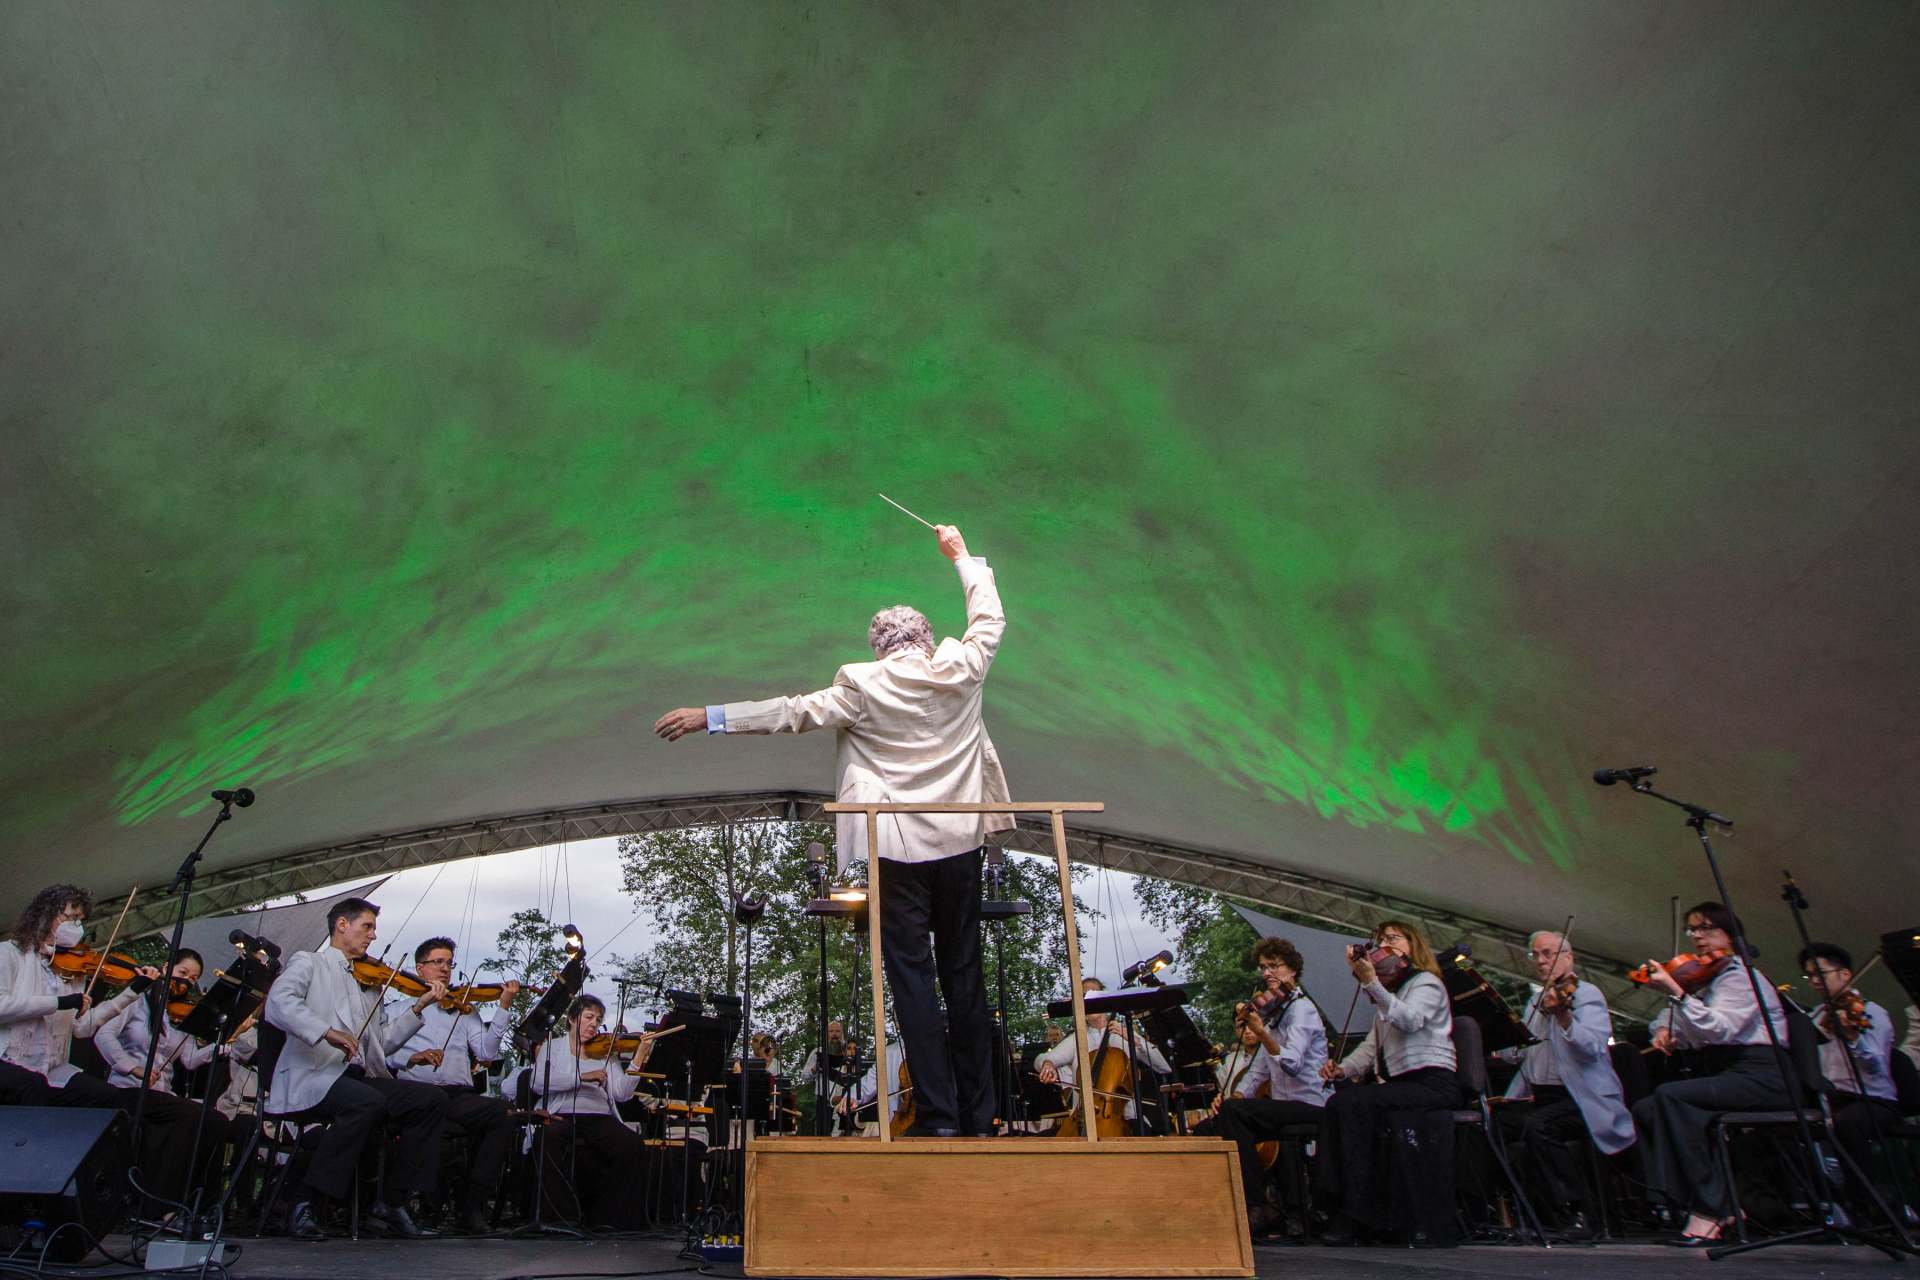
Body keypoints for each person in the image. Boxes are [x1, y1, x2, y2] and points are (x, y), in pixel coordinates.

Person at [656, 521, 1010, 1137]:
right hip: (961, 841)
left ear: (879, 647)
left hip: (896, 846)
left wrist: (709, 716)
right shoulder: (964, 668)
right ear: (926, 639)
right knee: (965, 978)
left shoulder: (863, 684)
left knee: (913, 981)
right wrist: (960, 556)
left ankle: (940, 1117)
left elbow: (791, 712)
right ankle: (982, 1115)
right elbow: (988, 617)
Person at [263, 897, 452, 1241]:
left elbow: (383, 1043)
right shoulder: (310, 962)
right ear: (342, 925)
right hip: (314, 1074)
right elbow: (279, 1002)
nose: (373, 936)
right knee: (366, 1102)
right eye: (367, 927)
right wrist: (326, 1031)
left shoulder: (368, 984)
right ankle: (304, 1201)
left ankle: (390, 1201)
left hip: (356, 1079)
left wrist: (419, 1007)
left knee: (431, 1100)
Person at [1631, 900, 1791, 1246]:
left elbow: (1720, 1028)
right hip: (1727, 1071)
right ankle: (1688, 1201)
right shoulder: (1707, 981)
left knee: (1672, 1097)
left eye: (1707, 928)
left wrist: (1677, 992)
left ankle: (1711, 1208)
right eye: (1693, 929)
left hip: (1762, 1073)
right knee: (1646, 1109)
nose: (1697, 936)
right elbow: (1676, 1025)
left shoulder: (1744, 978)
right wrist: (1664, 1029)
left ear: (1730, 935)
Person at [1315, 920, 1460, 1246]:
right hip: (1404, 1086)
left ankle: (1356, 1213)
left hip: (1433, 1082)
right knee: (1340, 1102)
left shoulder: (1427, 983)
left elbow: (1410, 1020)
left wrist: (1372, 984)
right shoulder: (1391, 997)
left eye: (1393, 938)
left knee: (1351, 1104)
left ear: (1413, 945)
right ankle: (1337, 1201)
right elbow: (1371, 1048)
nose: (1384, 946)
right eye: (1381, 940)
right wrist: (1342, 1069)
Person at [1496, 930, 1635, 1240]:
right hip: (1542, 1097)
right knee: (1496, 1125)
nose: (1541, 961)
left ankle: (1578, 1212)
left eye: (1548, 953)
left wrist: (1564, 1017)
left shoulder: (1586, 994)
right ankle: (1529, 1214)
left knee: (1540, 1127)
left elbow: (1593, 1047)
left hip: (1582, 1097)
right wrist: (1507, 1033)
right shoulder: (1536, 1000)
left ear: (1568, 957)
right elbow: (1519, 1052)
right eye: (1535, 955)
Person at [386, 937, 519, 1234]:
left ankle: (472, 1205)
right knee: (434, 1123)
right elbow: (383, 1053)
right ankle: (418, 1206)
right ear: (420, 968)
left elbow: (486, 1053)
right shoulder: (399, 1010)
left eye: (449, 963)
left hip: (458, 1097)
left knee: (503, 1113)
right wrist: (412, 1058)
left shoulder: (463, 1010)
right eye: (438, 962)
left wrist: (503, 1007)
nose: (445, 969)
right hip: (418, 1096)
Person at [1203, 937, 1330, 1238]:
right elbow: (1257, 1071)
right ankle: (1231, 1205)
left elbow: (1292, 1064)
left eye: (1274, 966)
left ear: (1292, 970)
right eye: (1263, 967)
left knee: (1235, 1114)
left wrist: (1261, 1033)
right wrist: (1232, 1096)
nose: (1267, 973)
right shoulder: (1275, 1015)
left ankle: (1257, 1205)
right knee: (1212, 1124)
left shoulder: (1302, 1010)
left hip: (1310, 1103)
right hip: (1284, 1104)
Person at [95, 948, 236, 1208]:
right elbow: (103, 1034)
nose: (186, 982)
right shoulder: (137, 1000)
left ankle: (201, 1205)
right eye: (183, 972)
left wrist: (226, 1046)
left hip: (161, 1094)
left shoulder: (181, 1016)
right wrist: (133, 1068)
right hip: (128, 1088)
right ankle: (160, 1204)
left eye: (193, 979)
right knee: (190, 1115)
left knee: (216, 1121)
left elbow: (190, 1059)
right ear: (166, 967)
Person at [0, 884, 160, 1110]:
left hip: (52, 1069)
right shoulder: (9, 952)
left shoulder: (71, 968)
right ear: (45, 915)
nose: (76, 926)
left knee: (107, 1097)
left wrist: (131, 992)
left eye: (80, 920)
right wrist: (58, 1003)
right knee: (33, 1087)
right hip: (8, 1058)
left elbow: (81, 1028)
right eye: (71, 917)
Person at [528, 994, 653, 1230]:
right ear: (572, 1019)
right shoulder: (552, 1047)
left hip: (598, 1115)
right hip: (562, 1112)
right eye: (588, 1017)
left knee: (632, 1144)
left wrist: (638, 1058)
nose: (594, 1024)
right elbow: (537, 1082)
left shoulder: (605, 1052)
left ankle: (610, 1220)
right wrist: (581, 1077)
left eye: (598, 1020)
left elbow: (622, 1094)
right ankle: (559, 1218)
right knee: (548, 1136)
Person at [1800, 942, 1901, 1215]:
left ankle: (1864, 1204)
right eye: (1810, 976)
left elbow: (1876, 1065)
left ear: (1844, 974)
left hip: (1872, 1099)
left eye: (1821, 974)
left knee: (1849, 1122)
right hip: (1832, 1098)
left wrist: (1854, 1037)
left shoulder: (1871, 1012)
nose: (1814, 981)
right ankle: (1825, 1201)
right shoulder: (1816, 1016)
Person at [1034, 977, 1171, 1126]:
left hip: (1126, 1117)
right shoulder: (1077, 1039)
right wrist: (1047, 1064)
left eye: (1093, 993)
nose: (1089, 999)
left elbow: (1163, 1066)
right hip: (1085, 1120)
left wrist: (1134, 1040)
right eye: (1084, 996)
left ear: (1104, 998)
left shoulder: (1123, 1034)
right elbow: (1041, 1059)